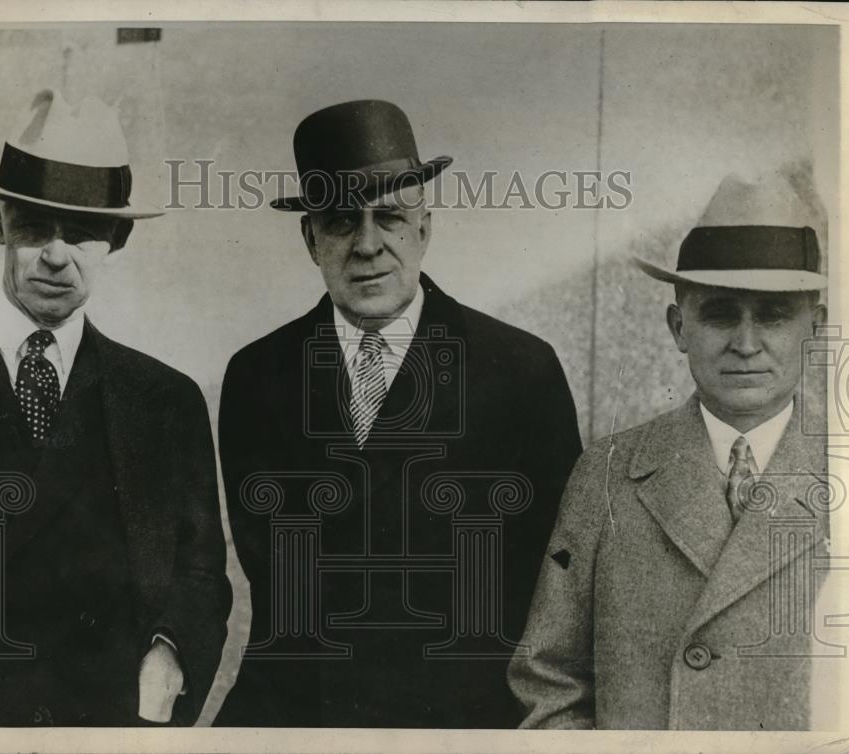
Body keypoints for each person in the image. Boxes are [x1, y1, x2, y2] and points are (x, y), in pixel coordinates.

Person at [214, 99, 582, 728]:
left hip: (464, 720)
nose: (366, 245)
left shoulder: (520, 370)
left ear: (424, 229)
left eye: (388, 217)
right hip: (302, 715)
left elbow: (558, 581)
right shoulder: (257, 376)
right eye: (338, 222)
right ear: (310, 239)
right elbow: (278, 583)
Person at [0, 89, 232, 726]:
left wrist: (167, 666)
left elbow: (200, 575)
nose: (55, 254)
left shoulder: (166, 401)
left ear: (116, 236)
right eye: (32, 225)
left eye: (80, 231)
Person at [508, 172, 831, 730]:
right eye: (720, 312)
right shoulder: (606, 475)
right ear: (679, 326)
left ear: (816, 328)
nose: (746, 343)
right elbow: (549, 680)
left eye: (774, 314)